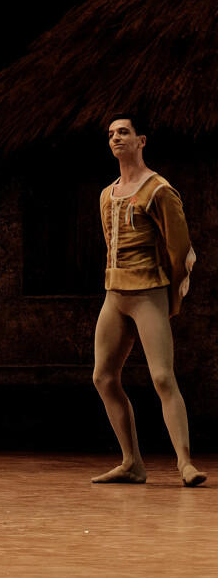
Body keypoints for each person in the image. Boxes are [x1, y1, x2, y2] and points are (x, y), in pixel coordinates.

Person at [90, 114, 204, 487]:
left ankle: (185, 462)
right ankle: (131, 462)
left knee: (161, 376)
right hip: (115, 295)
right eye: (111, 134)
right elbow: (110, 247)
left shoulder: (158, 189)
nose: (116, 138)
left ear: (141, 140)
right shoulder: (108, 194)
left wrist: (169, 295)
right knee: (103, 377)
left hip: (148, 293)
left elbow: (180, 248)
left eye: (123, 132)